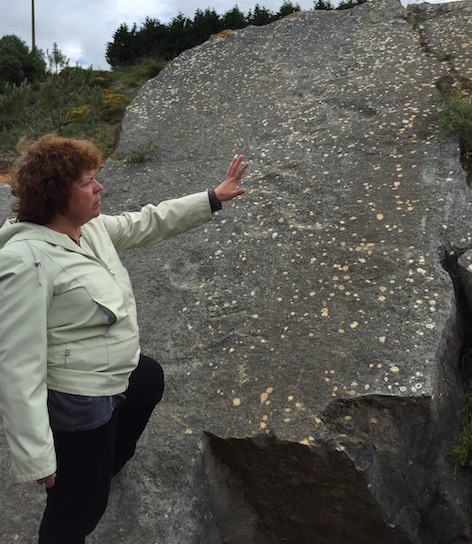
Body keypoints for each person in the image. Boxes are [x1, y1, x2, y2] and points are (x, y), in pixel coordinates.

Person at [0, 134, 249, 544]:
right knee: (80, 507)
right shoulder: (26, 260)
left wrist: (212, 197)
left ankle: (108, 463)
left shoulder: (88, 227)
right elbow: (16, 365)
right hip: (79, 396)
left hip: (115, 370)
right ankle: (82, 484)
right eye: (88, 182)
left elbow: (145, 222)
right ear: (56, 194)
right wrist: (37, 455)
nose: (100, 188)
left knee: (148, 379)